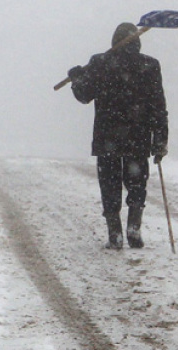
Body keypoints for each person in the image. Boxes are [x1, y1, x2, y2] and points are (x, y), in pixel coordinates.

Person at [67, 22, 169, 250]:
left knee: (110, 184)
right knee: (136, 183)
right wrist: (160, 140)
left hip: (108, 138)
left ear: (114, 41)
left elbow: (84, 95)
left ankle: (115, 233)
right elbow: (158, 106)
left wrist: (76, 78)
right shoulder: (149, 65)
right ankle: (134, 227)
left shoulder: (100, 63)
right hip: (138, 137)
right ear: (138, 42)